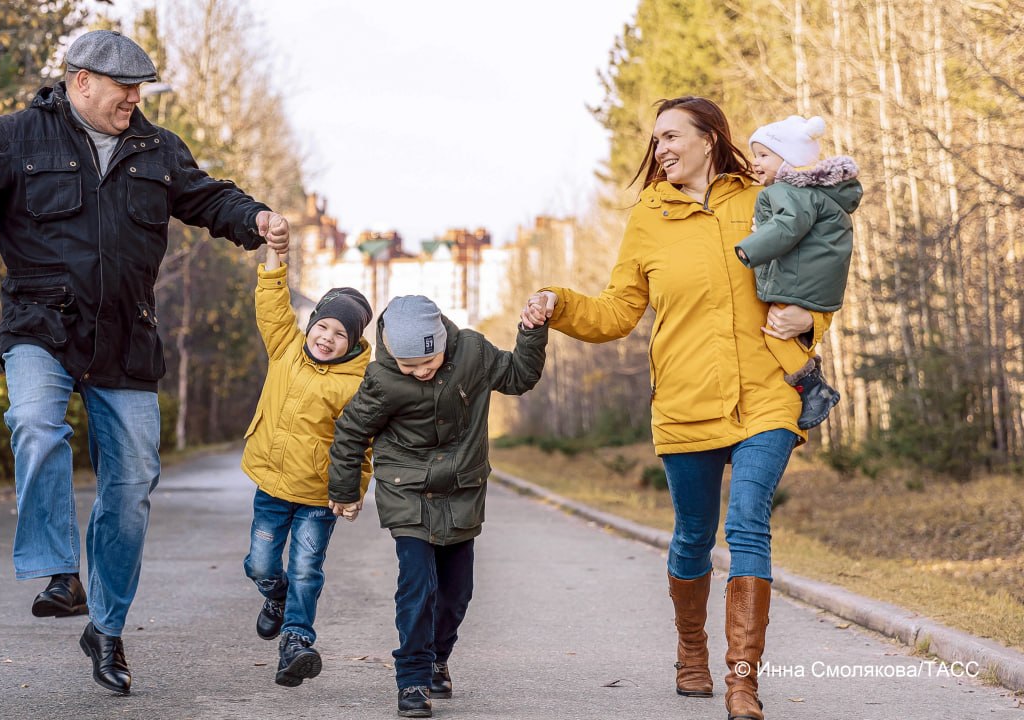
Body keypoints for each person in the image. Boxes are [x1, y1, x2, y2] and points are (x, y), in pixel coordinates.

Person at [0, 29, 291, 696]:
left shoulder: (156, 149)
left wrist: (257, 217)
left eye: (141, 87)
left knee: (130, 493)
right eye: (124, 86)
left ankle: (106, 628)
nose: (134, 97)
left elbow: (209, 198)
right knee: (36, 424)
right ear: (81, 82)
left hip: (127, 341)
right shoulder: (18, 138)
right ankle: (59, 571)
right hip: (41, 327)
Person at [521, 96, 830, 720]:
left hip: (767, 395)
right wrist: (560, 303)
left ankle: (743, 682)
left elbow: (815, 270)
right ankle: (693, 648)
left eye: (671, 136)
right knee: (693, 535)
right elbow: (616, 312)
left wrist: (813, 318)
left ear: (710, 138)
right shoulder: (649, 220)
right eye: (655, 140)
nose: (659, 149)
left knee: (748, 524)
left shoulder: (761, 200)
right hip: (687, 404)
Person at [326, 295, 548, 719]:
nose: (418, 372)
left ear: (442, 339)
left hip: (461, 491)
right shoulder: (383, 378)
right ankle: (411, 678)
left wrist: (532, 332)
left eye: (425, 362)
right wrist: (345, 490)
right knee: (418, 586)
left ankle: (436, 658)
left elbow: (520, 376)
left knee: (457, 592)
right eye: (407, 366)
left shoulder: (474, 353)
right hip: (406, 490)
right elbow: (351, 432)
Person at [241, 245, 373, 688]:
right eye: (324, 326)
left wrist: (352, 491)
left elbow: (362, 445)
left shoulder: (357, 384)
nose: (328, 338)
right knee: (261, 563)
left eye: (341, 334)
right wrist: (274, 260)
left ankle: (296, 641)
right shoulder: (287, 350)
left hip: (320, 497)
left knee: (306, 569)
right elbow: (273, 307)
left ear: (353, 343)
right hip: (273, 487)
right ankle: (273, 595)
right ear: (312, 324)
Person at [737, 114, 862, 430]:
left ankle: (815, 390)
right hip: (815, 282)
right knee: (783, 335)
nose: (755, 162)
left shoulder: (786, 191)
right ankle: (814, 387)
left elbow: (788, 226)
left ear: (788, 159)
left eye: (763, 155)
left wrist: (752, 246)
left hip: (798, 282)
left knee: (776, 336)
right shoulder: (814, 194)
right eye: (755, 155)